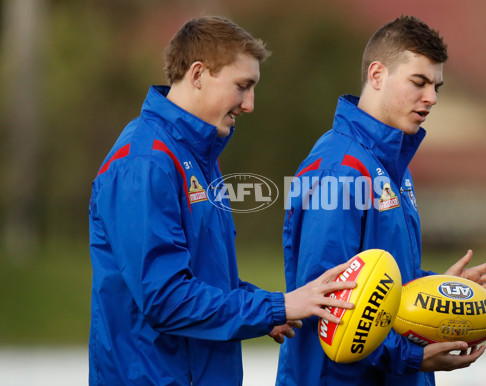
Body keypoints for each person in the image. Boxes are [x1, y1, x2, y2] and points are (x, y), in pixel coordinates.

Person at [88, 16, 356, 385]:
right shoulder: (146, 162)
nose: (249, 104)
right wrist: (276, 306)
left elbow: (206, 279)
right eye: (242, 86)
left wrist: (274, 307)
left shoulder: (197, 156)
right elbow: (166, 299)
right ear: (198, 75)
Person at [276, 16, 486, 386]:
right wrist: (409, 356)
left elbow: (375, 283)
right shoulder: (339, 170)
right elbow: (328, 307)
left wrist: (432, 292)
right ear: (376, 75)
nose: (431, 98)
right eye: (418, 82)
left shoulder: (391, 163)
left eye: (436, 86)